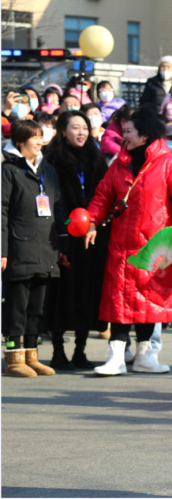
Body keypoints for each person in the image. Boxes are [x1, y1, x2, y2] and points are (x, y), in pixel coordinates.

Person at [84, 108, 172, 376]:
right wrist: (91, 221)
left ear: (144, 135)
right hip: (122, 244)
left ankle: (146, 356)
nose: (124, 136)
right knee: (119, 300)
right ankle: (116, 357)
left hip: (155, 246)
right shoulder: (119, 164)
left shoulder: (170, 164)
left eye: (129, 132)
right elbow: (103, 196)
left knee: (149, 301)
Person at [45, 111, 111, 370]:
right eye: (75, 128)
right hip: (61, 235)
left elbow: (105, 194)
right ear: (63, 131)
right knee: (60, 294)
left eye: (85, 127)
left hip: (93, 236)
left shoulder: (97, 160)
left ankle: (80, 350)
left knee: (87, 292)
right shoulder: (51, 161)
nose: (81, 132)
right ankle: (58, 350)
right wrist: (63, 230)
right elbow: (50, 200)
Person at [2, 120, 64, 377]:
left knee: (37, 306)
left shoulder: (48, 170)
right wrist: (2, 250)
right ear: (19, 142)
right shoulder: (8, 171)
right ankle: (14, 357)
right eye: (33, 138)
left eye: (41, 137)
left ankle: (31, 354)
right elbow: (1, 212)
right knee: (17, 304)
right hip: (18, 246)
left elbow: (58, 207)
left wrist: (61, 244)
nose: (39, 142)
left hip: (45, 247)